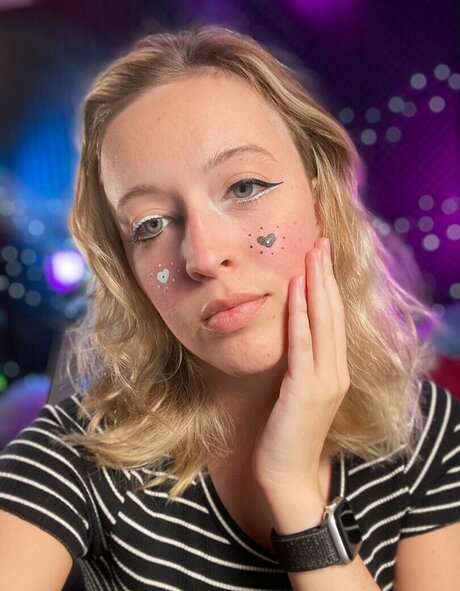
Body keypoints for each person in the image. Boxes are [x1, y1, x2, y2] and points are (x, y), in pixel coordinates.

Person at [0, 26, 459, 591]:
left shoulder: (424, 432)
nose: (202, 256)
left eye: (244, 187)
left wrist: (295, 493)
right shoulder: (74, 457)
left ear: (322, 194)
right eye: (151, 224)